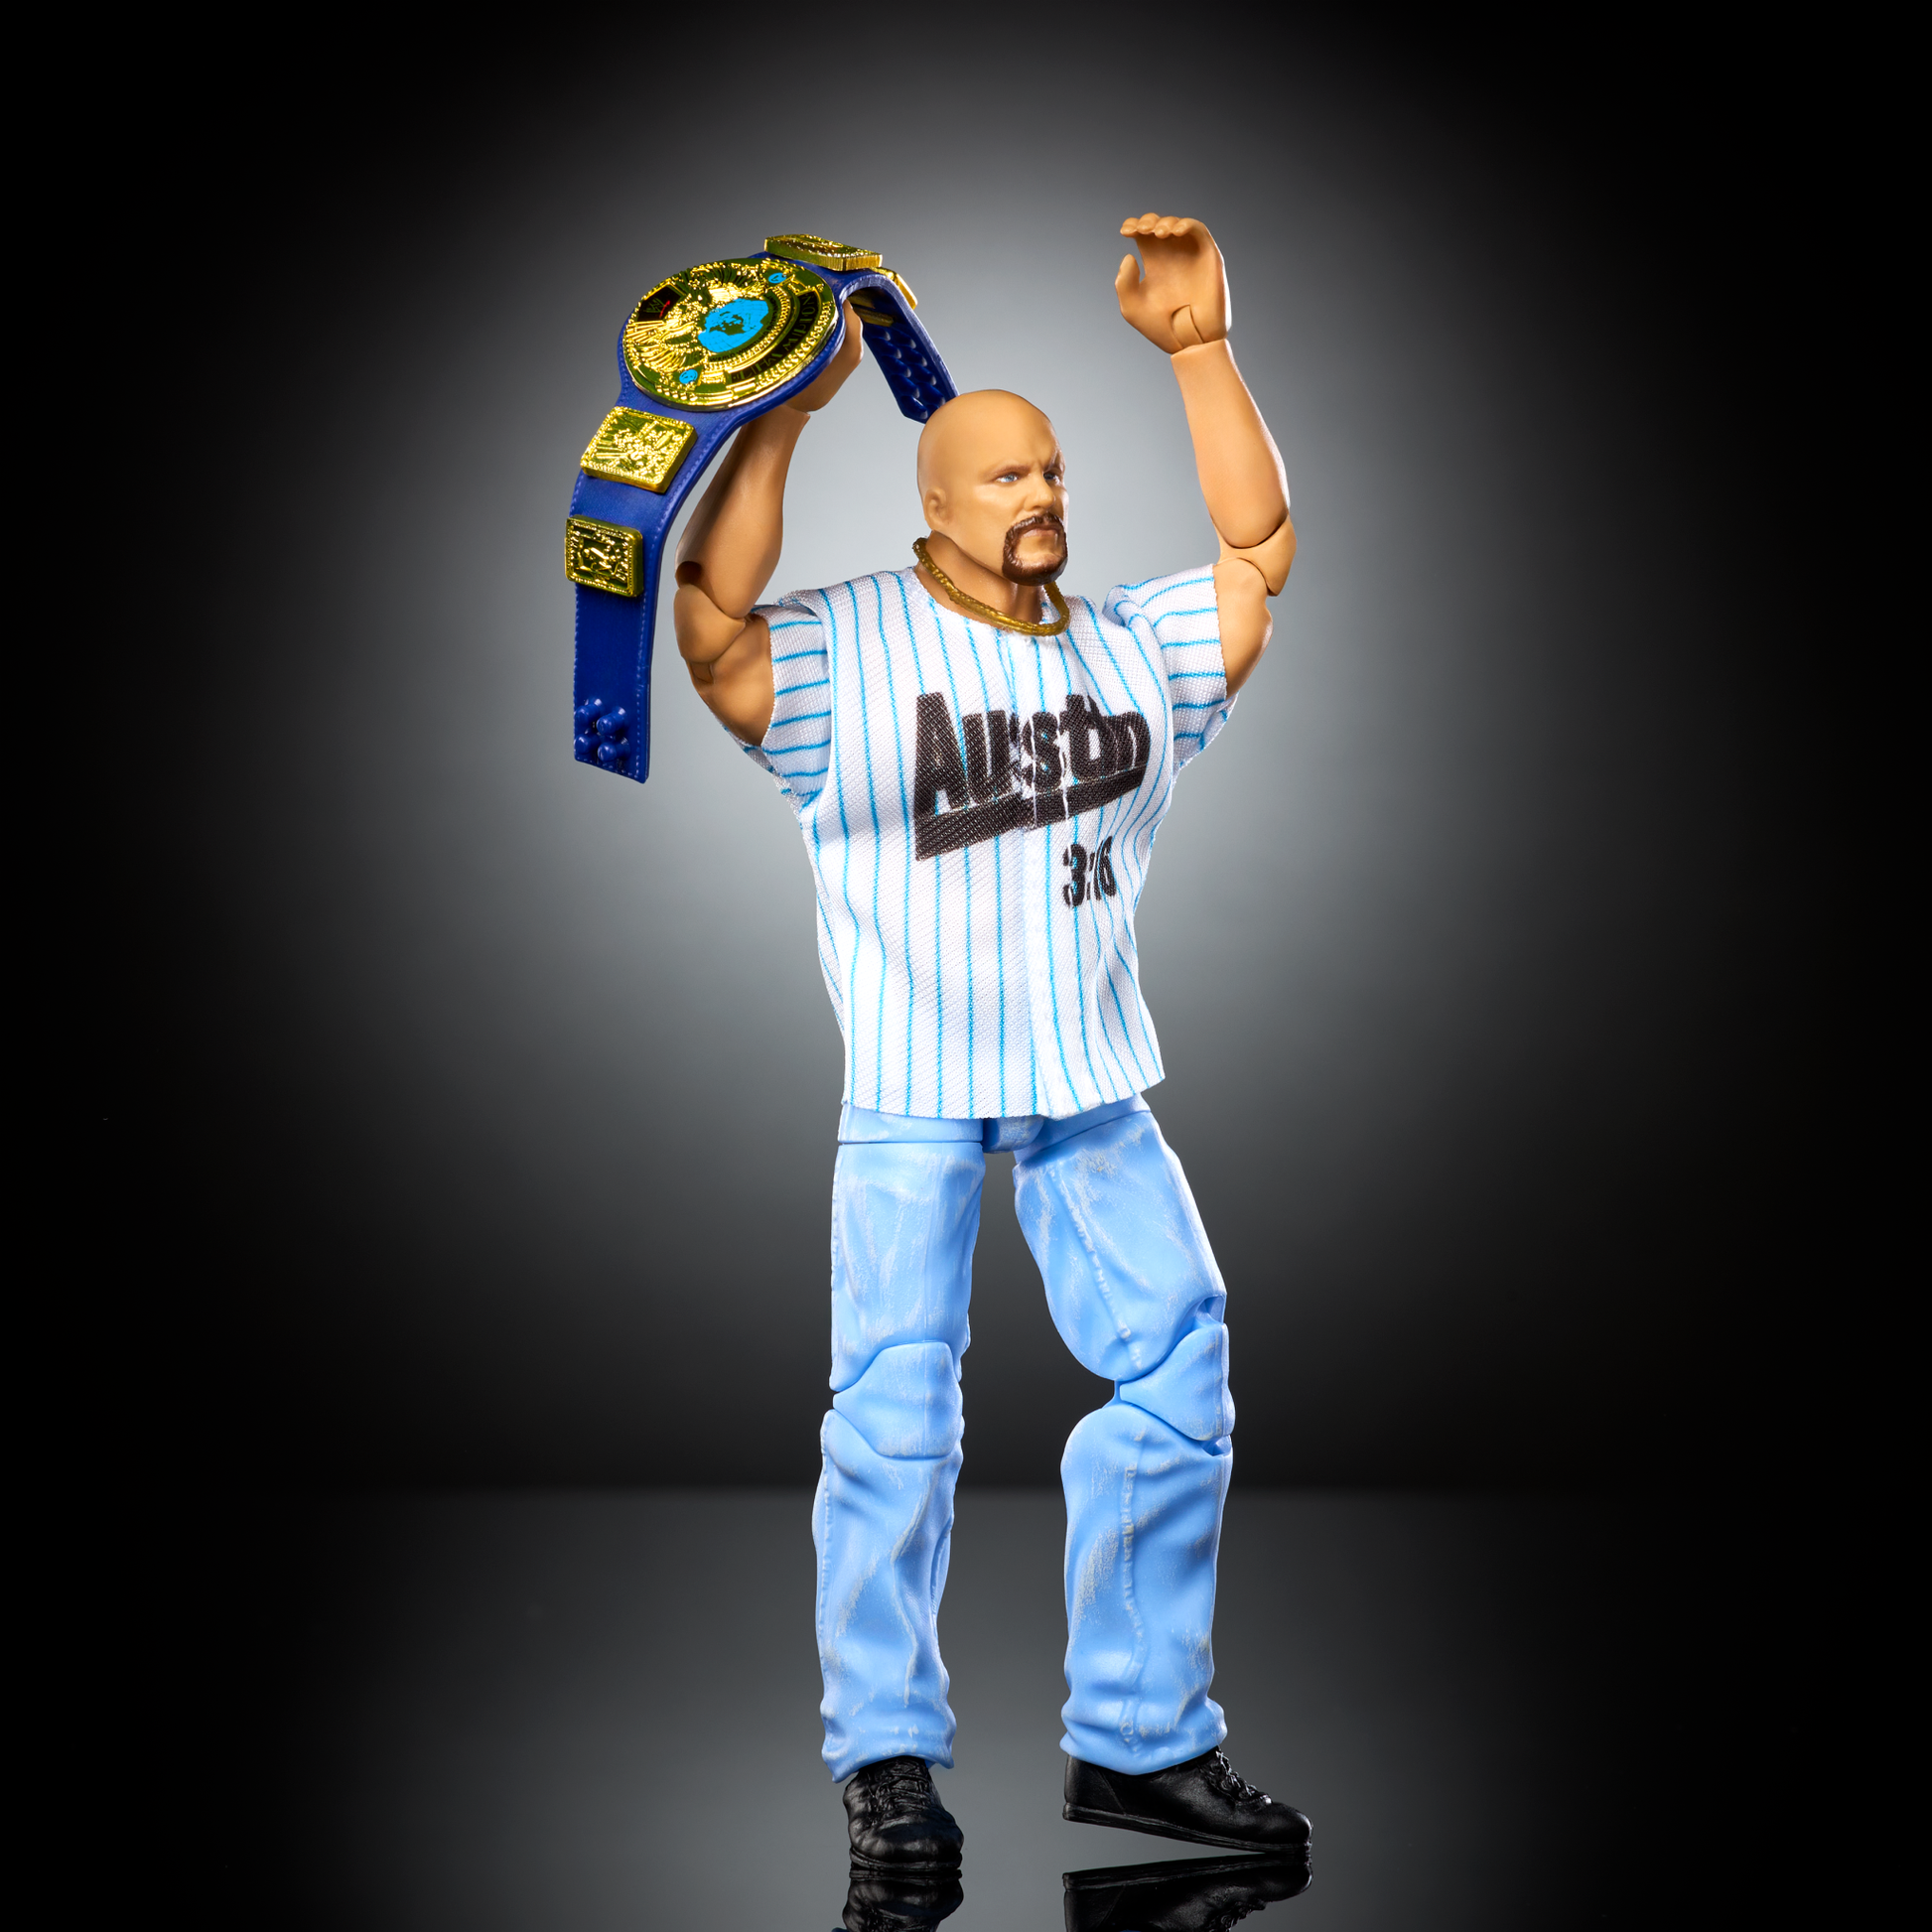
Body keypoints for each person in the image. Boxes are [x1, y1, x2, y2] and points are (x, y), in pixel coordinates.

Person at [671, 214, 1309, 1872]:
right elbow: (713, 629)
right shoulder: (849, 644)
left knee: (1179, 1369)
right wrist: (779, 418)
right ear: (935, 504)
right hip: (911, 1088)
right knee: (893, 1421)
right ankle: (884, 1757)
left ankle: (1140, 1740)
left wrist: (1200, 354)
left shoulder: (1126, 646)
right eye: (1005, 474)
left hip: (1091, 1082)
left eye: (1051, 470)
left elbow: (1255, 555)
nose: (1039, 493)